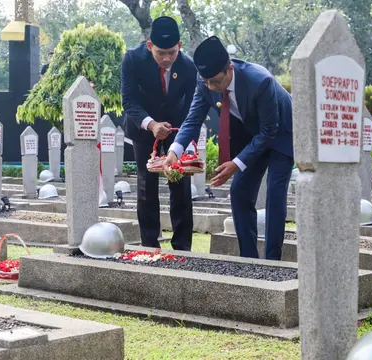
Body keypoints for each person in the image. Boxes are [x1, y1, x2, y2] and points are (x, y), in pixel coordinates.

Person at [162, 36, 293, 260]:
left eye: (215, 82)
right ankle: (249, 259)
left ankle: (273, 261)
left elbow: (269, 132)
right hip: (252, 135)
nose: (211, 87)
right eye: (206, 82)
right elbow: (193, 120)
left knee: (275, 193)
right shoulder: (205, 82)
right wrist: (175, 151)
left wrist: (236, 163)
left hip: (281, 134)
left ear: (229, 69)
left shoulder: (259, 81)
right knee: (239, 192)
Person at [120, 16, 197, 251]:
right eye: (161, 53)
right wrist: (152, 124)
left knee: (180, 182)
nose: (166, 59)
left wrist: (182, 135)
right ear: (149, 46)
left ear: (180, 46)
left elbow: (193, 104)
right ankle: (150, 244)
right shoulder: (132, 60)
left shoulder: (188, 65)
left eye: (172, 53)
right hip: (143, 127)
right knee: (147, 184)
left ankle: (182, 245)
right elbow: (129, 100)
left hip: (177, 128)